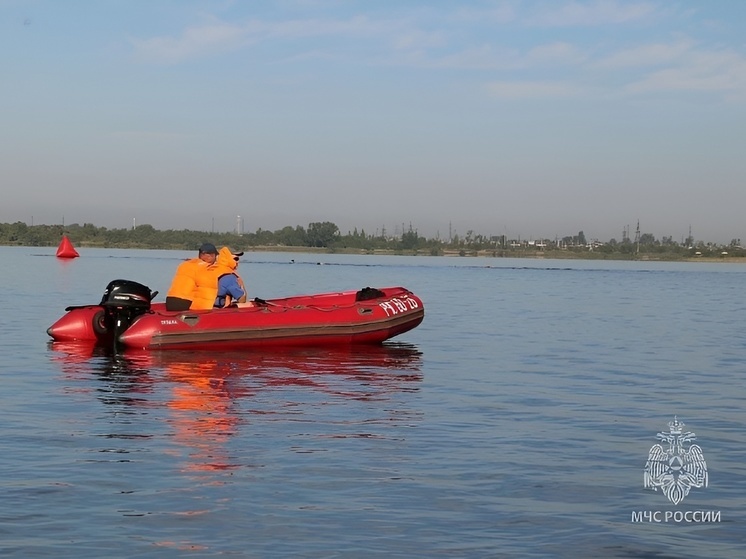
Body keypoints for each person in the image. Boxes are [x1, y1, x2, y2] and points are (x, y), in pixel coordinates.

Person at [165, 243, 219, 311]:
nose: (216, 259)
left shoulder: (185, 264)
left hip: (170, 300)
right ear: (210, 256)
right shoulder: (204, 268)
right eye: (215, 256)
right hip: (185, 301)